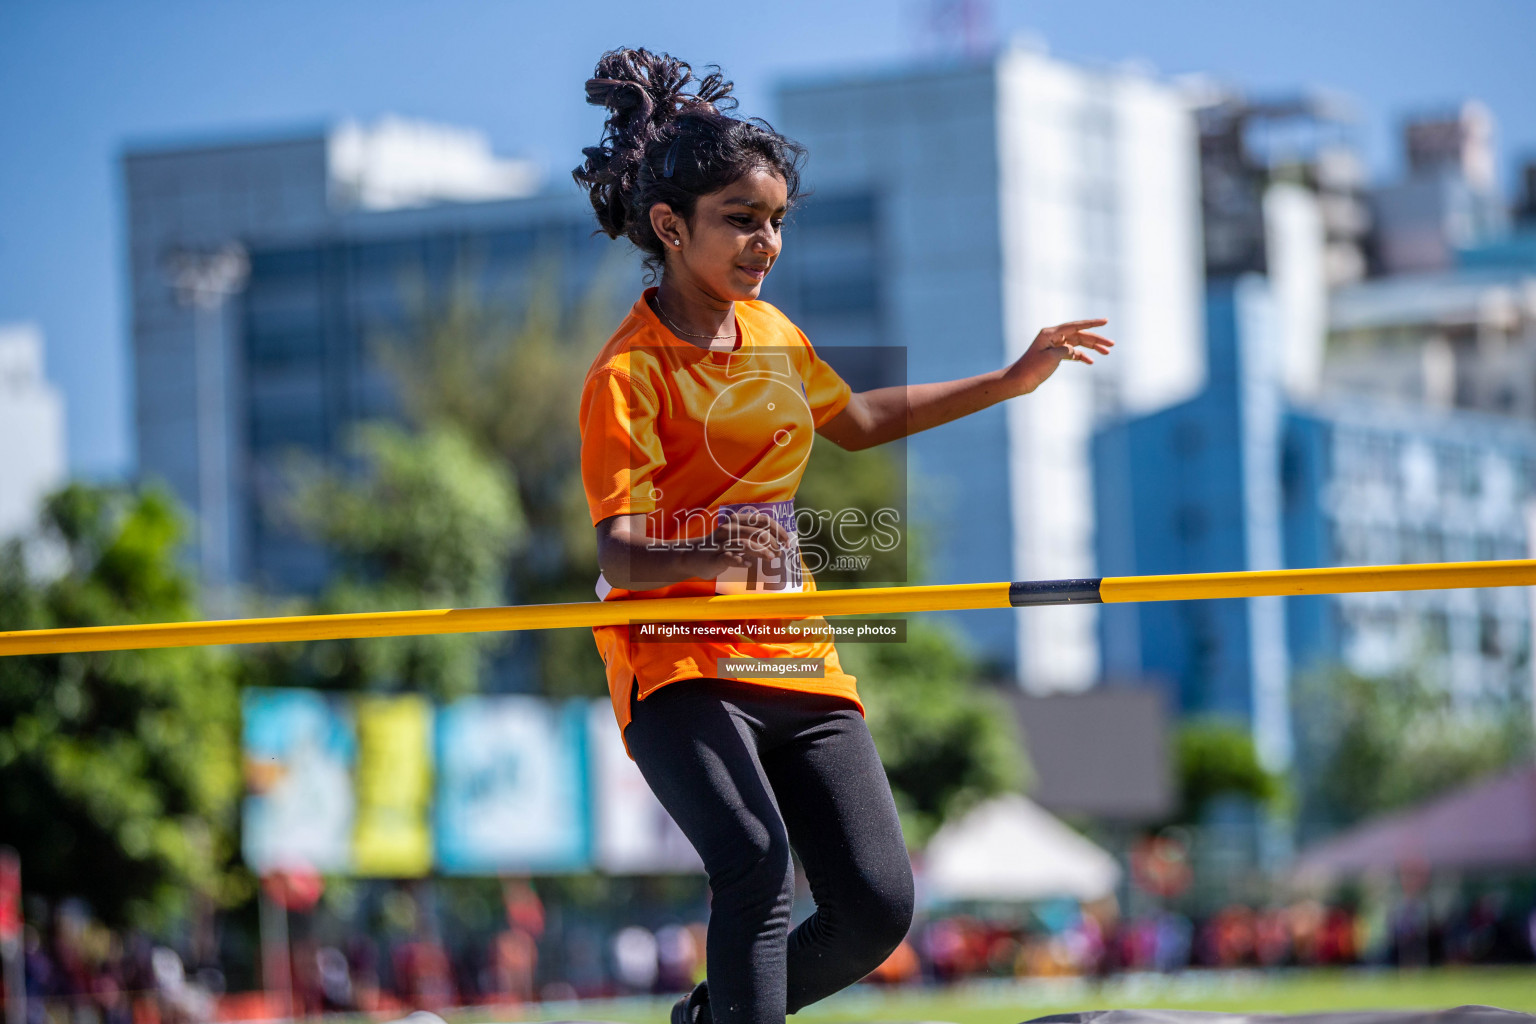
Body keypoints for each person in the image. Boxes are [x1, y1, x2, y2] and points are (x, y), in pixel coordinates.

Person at [573, 47, 1113, 1024]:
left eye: (776, 220)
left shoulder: (774, 336)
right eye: (741, 220)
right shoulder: (627, 375)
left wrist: (1006, 379)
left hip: (797, 660)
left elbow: (857, 422)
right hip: (681, 670)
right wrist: (711, 552)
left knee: (875, 904)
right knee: (755, 864)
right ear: (669, 225)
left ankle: (709, 1021)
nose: (765, 242)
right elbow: (619, 551)